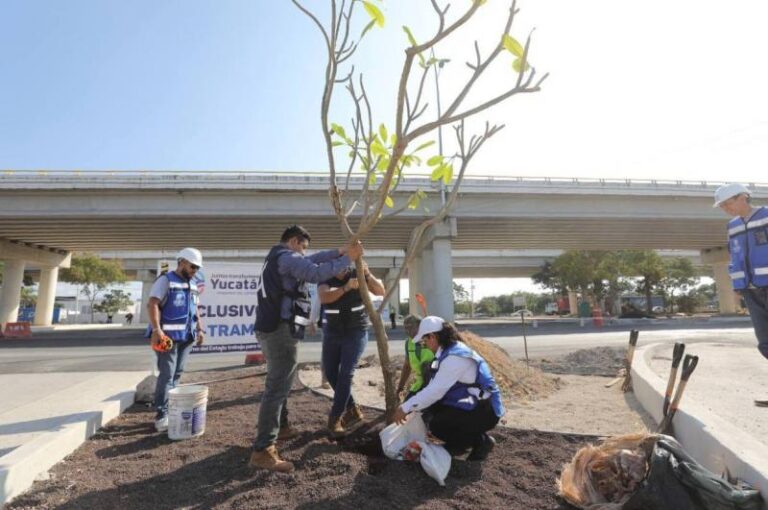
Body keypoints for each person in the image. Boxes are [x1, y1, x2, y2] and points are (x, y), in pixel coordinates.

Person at [249, 225, 363, 472]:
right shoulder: (289, 258)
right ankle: (263, 450)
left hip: (273, 329)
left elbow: (312, 260)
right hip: (279, 331)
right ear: (294, 241)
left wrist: (338, 251)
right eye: (303, 246)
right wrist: (347, 258)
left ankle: (283, 426)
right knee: (277, 386)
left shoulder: (278, 256)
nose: (304, 252)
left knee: (281, 381)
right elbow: (315, 273)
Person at [392, 316, 505, 461]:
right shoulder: (447, 351)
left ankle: (478, 442)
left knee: (438, 426)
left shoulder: (454, 357)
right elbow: (433, 387)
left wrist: (404, 408)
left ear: (433, 336)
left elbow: (435, 391)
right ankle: (466, 439)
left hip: (486, 410)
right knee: (428, 412)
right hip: (470, 402)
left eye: (425, 340)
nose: (424, 344)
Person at [714, 183, 768, 407]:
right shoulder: (733, 226)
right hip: (750, 289)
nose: (726, 208)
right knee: (765, 343)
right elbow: (735, 257)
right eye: (722, 206)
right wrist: (737, 288)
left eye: (728, 203)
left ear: (743, 197)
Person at [318, 261, 384, 437]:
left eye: (346, 267)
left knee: (346, 373)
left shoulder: (358, 274)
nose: (344, 271)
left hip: (356, 332)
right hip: (332, 333)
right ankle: (352, 408)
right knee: (331, 373)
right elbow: (324, 297)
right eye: (339, 267)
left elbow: (380, 291)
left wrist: (367, 275)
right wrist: (346, 288)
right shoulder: (325, 276)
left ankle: (335, 418)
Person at [145, 247, 205, 432]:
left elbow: (194, 309)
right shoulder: (166, 280)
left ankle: (172, 409)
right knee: (167, 374)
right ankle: (161, 415)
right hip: (167, 338)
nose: (195, 270)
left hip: (186, 337)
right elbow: (152, 303)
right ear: (182, 262)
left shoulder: (193, 284)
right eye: (192, 266)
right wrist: (157, 330)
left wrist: (200, 329)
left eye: (197, 268)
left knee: (177, 373)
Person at [395, 315, 435, 400]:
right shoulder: (409, 342)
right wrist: (400, 388)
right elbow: (407, 366)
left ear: (421, 326)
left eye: (410, 327)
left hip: (435, 384)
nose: (407, 331)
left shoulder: (432, 339)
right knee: (405, 407)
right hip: (420, 383)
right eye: (405, 328)